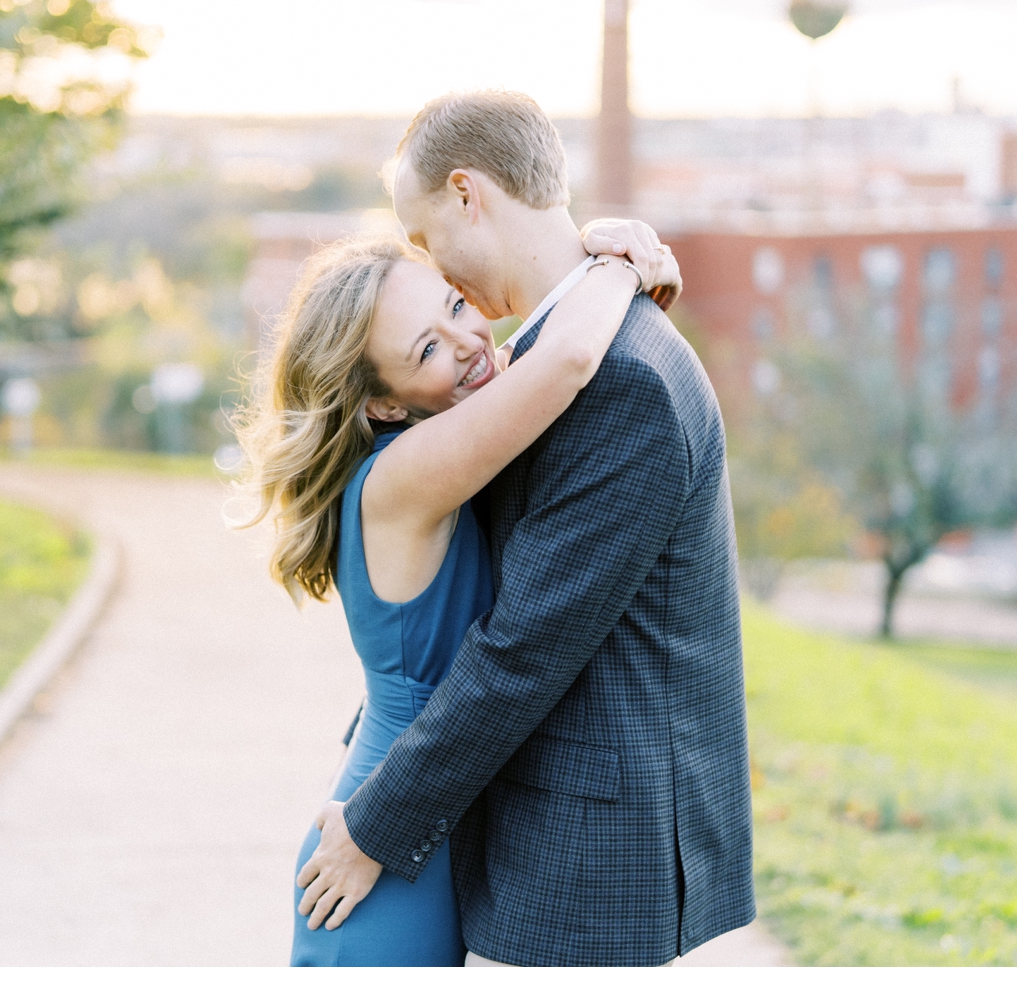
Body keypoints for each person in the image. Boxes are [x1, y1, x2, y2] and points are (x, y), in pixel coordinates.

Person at [294, 90, 756, 967]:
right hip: (525, 837)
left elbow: (525, 649)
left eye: (426, 242)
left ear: (468, 193)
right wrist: (618, 262)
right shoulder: (552, 367)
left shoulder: (620, 379)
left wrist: (380, 825)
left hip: (588, 856)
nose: (447, 287)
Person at [234, 210, 680, 965]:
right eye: (427, 349)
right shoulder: (407, 473)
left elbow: (545, 366)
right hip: (382, 837)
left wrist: (629, 287)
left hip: (421, 810)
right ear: (383, 404)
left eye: (453, 304)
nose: (470, 340)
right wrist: (622, 266)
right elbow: (566, 359)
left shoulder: (435, 436)